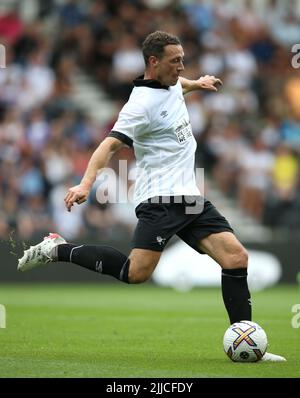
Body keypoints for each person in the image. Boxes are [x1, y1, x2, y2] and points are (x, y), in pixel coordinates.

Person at [18, 31, 285, 361]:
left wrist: (196, 82)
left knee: (236, 258)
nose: (181, 66)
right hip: (160, 199)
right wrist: (85, 184)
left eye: (183, 60)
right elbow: (108, 146)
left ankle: (247, 343)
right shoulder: (139, 106)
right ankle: (58, 249)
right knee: (136, 273)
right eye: (176, 61)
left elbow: (177, 88)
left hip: (188, 195)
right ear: (153, 62)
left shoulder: (171, 82)